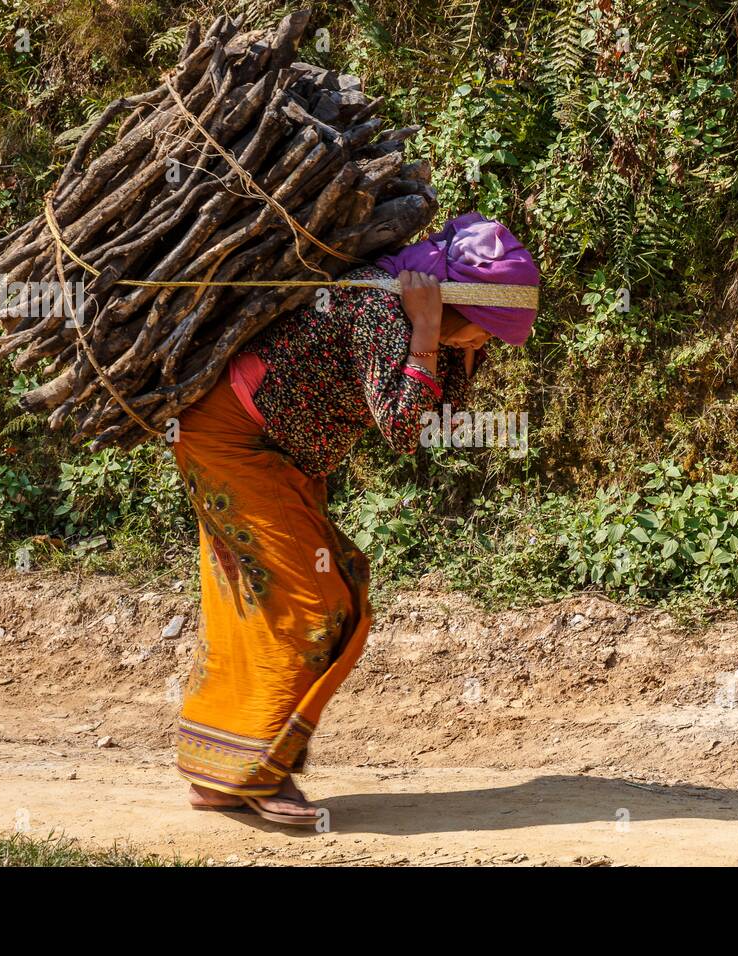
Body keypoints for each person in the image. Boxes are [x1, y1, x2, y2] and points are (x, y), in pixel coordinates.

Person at [170, 212, 539, 825]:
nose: (486, 345)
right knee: (316, 606)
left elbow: (432, 418)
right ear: (451, 303)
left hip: (280, 453)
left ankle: (223, 772)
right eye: (484, 331)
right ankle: (261, 773)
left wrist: (441, 341)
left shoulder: (431, 322)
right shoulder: (378, 307)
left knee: (320, 588)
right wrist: (424, 332)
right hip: (232, 440)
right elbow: (400, 427)